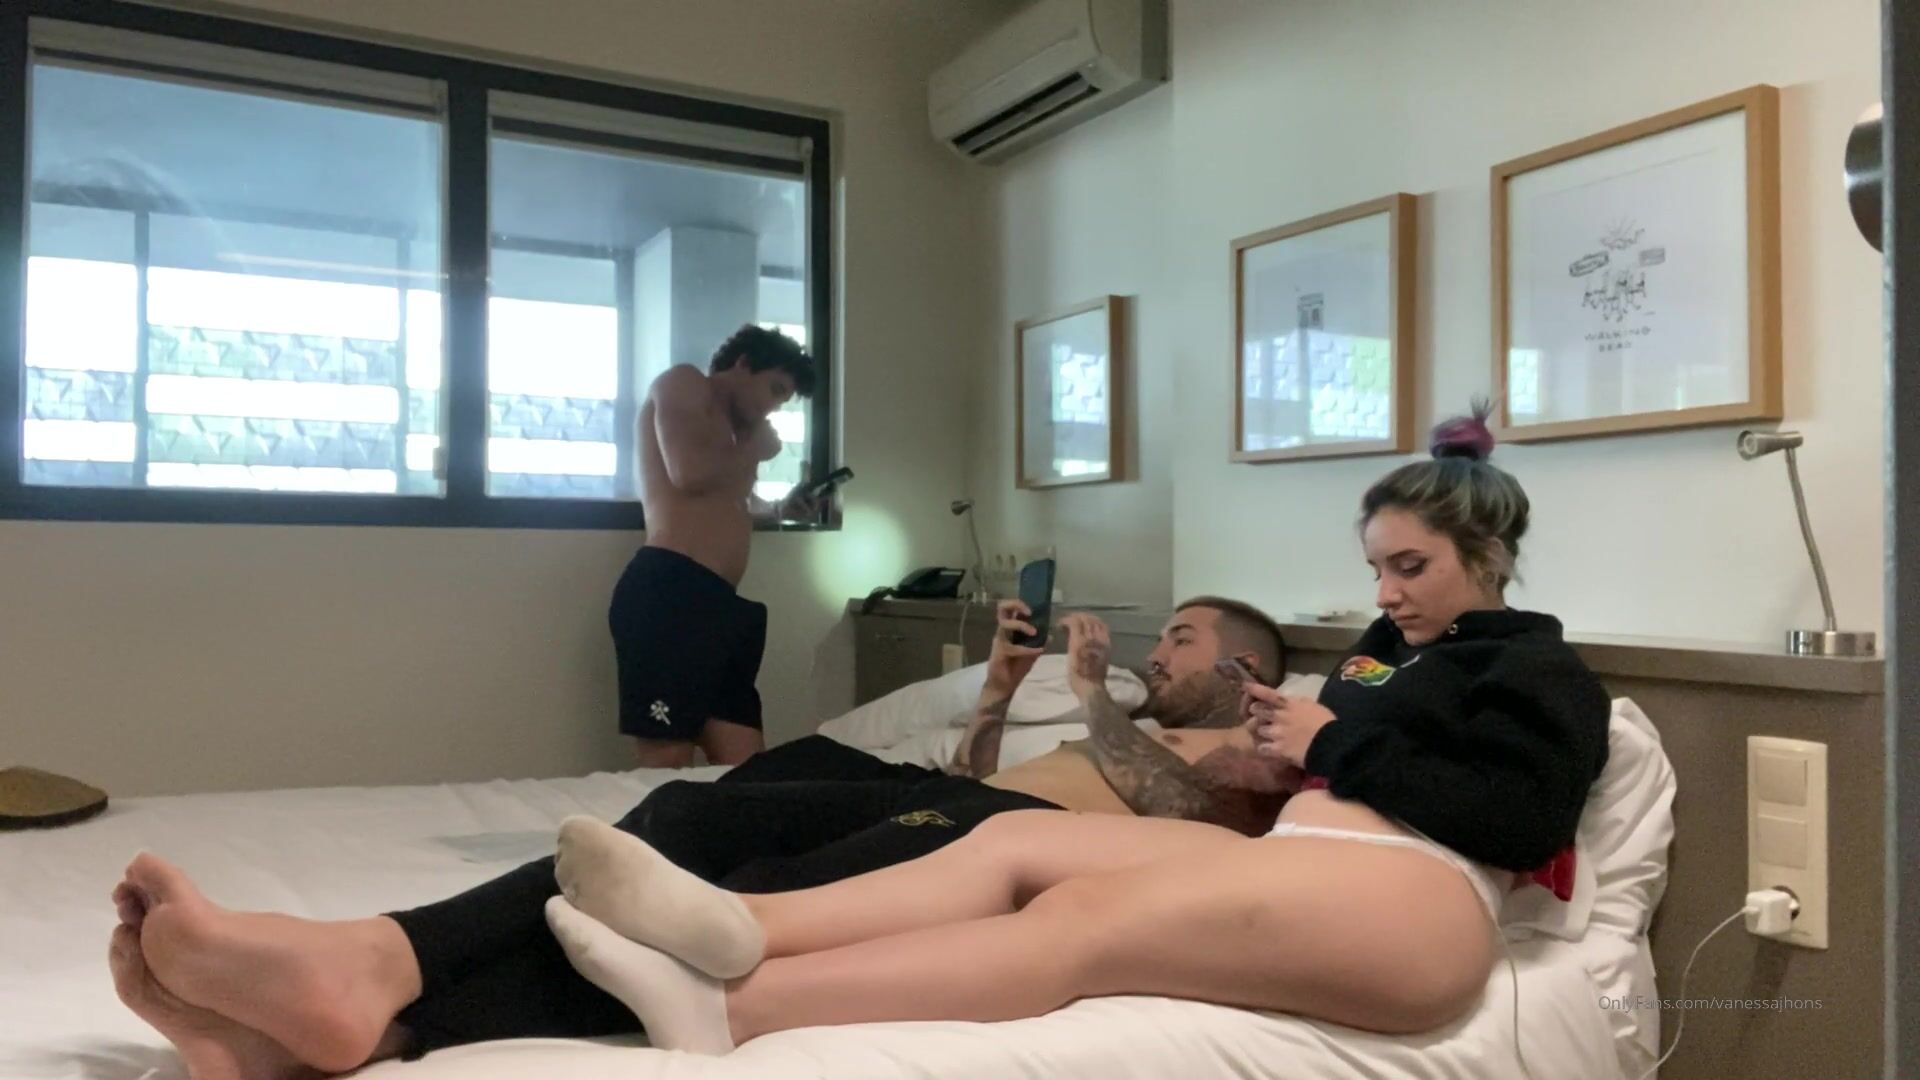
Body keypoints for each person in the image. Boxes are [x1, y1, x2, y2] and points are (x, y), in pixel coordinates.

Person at [520, 402, 1615, 1055]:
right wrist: (1286, 752)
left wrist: (1329, 742)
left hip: (1421, 905)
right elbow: (1354, 755)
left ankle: (739, 1009)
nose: (1386, 590)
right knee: (1009, 840)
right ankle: (741, 925)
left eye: (1410, 566)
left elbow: (1518, 818)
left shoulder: (1538, 669)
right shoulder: (1387, 651)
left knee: (1086, 921)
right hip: (1311, 862)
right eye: (1376, 566)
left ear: (1490, 556)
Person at [103, 597, 1298, 1076]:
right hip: (943, 791)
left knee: (750, 877)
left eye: (1185, 638)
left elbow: (1193, 819)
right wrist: (996, 695)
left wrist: (1092, 699)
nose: (1159, 652)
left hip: (1013, 834)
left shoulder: (1255, 741)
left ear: (1248, 665)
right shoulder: (1135, 719)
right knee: (686, 815)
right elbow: (980, 764)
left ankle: (382, 987)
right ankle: (370, 998)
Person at [617, 323, 818, 768]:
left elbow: (728, 504)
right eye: (774, 389)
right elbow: (688, 473)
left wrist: (782, 509)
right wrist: (753, 449)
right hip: (670, 593)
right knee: (667, 769)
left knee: (746, 771)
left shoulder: (732, 435)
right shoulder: (685, 383)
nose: (773, 407)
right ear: (743, 364)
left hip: (720, 605)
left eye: (783, 400)